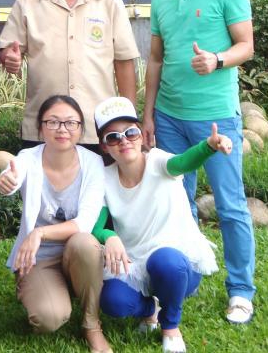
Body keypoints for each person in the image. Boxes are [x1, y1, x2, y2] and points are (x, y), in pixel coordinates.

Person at [142, 0, 256, 324]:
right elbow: (156, 59)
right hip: (170, 117)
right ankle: (183, 282)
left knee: (231, 206)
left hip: (216, 118)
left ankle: (240, 291)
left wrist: (218, 59)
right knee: (177, 204)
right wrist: (148, 114)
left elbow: (246, 46)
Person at [93, 96, 230, 353]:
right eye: (113, 137)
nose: (124, 141)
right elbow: (96, 226)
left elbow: (184, 161)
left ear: (141, 136)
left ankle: (170, 325)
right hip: (135, 264)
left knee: (166, 261)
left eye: (130, 132)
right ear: (104, 146)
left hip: (177, 262)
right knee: (112, 301)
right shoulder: (104, 179)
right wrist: (109, 236)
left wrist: (208, 146)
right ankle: (150, 309)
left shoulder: (157, 161)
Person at [0, 0, 139, 156]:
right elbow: (8, 52)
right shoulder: (28, 2)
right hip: (45, 126)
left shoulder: (110, 3)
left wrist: (128, 118)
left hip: (98, 126)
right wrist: (9, 58)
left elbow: (123, 62)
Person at [0, 95, 112, 353]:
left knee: (85, 242)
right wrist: (6, 182)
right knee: (48, 318)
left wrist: (40, 232)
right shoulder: (28, 157)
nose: (62, 129)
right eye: (53, 122)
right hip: (38, 258)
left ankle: (91, 324)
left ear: (81, 129)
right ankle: (47, 289)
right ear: (40, 128)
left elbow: (84, 223)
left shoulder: (92, 163)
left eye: (71, 122)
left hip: (76, 252)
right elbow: (13, 175)